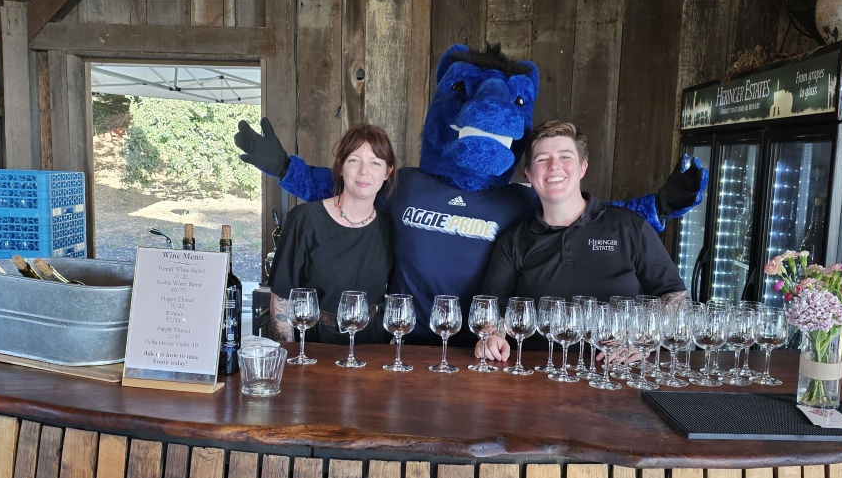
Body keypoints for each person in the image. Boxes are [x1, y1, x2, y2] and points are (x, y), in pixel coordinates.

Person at [235, 44, 706, 347]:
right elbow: (346, 186)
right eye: (546, 160)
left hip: (481, 346)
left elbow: (592, 217)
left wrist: (658, 206)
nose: (553, 171)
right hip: (400, 342)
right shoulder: (409, 184)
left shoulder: (522, 200)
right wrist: (282, 167)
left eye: (564, 161)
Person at [479, 120, 687, 361]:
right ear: (529, 173)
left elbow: (674, 295)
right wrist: (492, 336)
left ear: (582, 168)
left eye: (565, 156)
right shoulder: (514, 239)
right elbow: (492, 309)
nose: (554, 166)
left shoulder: (629, 225)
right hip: (538, 371)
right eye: (542, 159)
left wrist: (644, 341)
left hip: (616, 370)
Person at [270, 124, 396, 345]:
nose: (364, 171)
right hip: (314, 343)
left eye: (375, 163)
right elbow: (281, 297)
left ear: (387, 172)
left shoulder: (389, 227)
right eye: (354, 160)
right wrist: (290, 355)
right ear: (340, 166)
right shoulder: (305, 219)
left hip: (373, 345)